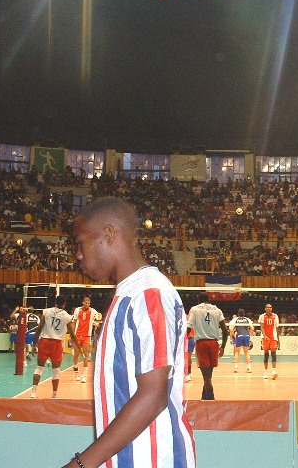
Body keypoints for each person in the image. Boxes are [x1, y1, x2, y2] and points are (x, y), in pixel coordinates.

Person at [65, 196, 195, 468]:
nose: (77, 254)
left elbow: (153, 397)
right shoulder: (128, 294)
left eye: (80, 243)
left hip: (153, 460)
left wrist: (81, 464)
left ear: (109, 234)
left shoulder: (148, 293)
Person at [30, 295, 79, 399]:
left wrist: (34, 344)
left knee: (39, 368)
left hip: (44, 341)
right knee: (56, 370)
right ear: (64, 304)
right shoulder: (66, 316)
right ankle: (54, 394)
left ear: (55, 303)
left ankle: (33, 392)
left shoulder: (46, 311)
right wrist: (79, 347)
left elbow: (39, 328)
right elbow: (72, 334)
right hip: (56, 344)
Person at [186, 293, 228, 400]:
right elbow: (224, 330)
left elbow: (188, 328)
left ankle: (211, 398)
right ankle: (204, 397)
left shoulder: (195, 309)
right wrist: (222, 346)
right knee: (209, 374)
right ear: (209, 299)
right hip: (214, 344)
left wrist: (179, 341)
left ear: (199, 300)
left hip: (202, 344)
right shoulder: (217, 310)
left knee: (206, 376)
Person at [71, 296, 100, 383]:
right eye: (86, 303)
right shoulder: (77, 310)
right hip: (77, 335)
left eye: (89, 303)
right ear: (83, 302)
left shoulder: (93, 311)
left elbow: (97, 320)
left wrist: (97, 324)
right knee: (76, 355)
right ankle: (76, 372)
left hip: (87, 335)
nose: (87, 304)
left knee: (86, 354)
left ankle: (84, 376)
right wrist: (72, 334)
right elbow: (74, 321)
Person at [259, 303, 280, 380]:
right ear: (265, 308)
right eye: (267, 307)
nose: (269, 308)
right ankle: (265, 372)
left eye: (270, 307)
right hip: (265, 338)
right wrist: (265, 336)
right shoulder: (262, 316)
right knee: (266, 354)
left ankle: (274, 371)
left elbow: (277, 328)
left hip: (273, 337)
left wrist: (278, 339)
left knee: (273, 353)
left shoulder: (275, 316)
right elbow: (262, 327)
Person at [230, 308, 254, 374]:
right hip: (246, 336)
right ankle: (249, 367)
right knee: (246, 352)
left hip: (239, 336)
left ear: (238, 314)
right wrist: (249, 334)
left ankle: (236, 367)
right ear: (244, 314)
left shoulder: (235, 320)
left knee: (237, 352)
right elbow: (252, 328)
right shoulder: (247, 319)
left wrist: (233, 335)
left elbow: (231, 329)